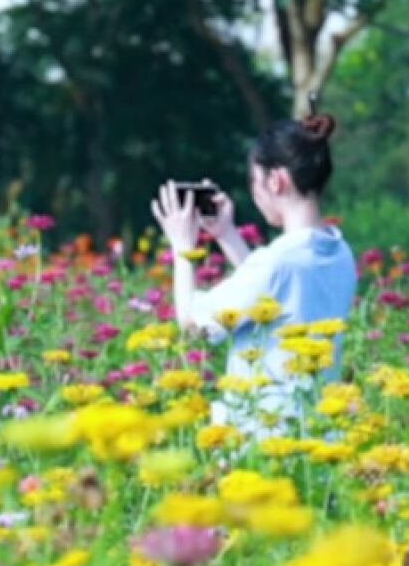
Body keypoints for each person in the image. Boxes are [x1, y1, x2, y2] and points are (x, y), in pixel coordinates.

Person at [150, 111, 357, 438]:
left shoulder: (277, 261)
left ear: (276, 181)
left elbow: (192, 327)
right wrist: (227, 235)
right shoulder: (339, 252)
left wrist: (182, 249)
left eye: (254, 182)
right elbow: (274, 297)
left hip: (265, 436)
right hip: (319, 432)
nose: (255, 193)